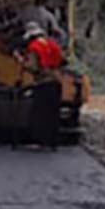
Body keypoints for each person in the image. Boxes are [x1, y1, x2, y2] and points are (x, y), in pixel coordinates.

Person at [17, 22, 64, 150]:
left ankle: (39, 141)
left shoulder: (34, 47)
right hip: (57, 82)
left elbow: (33, 67)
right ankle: (52, 142)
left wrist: (22, 61)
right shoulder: (53, 45)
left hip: (43, 83)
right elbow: (62, 61)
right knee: (53, 113)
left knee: (39, 114)